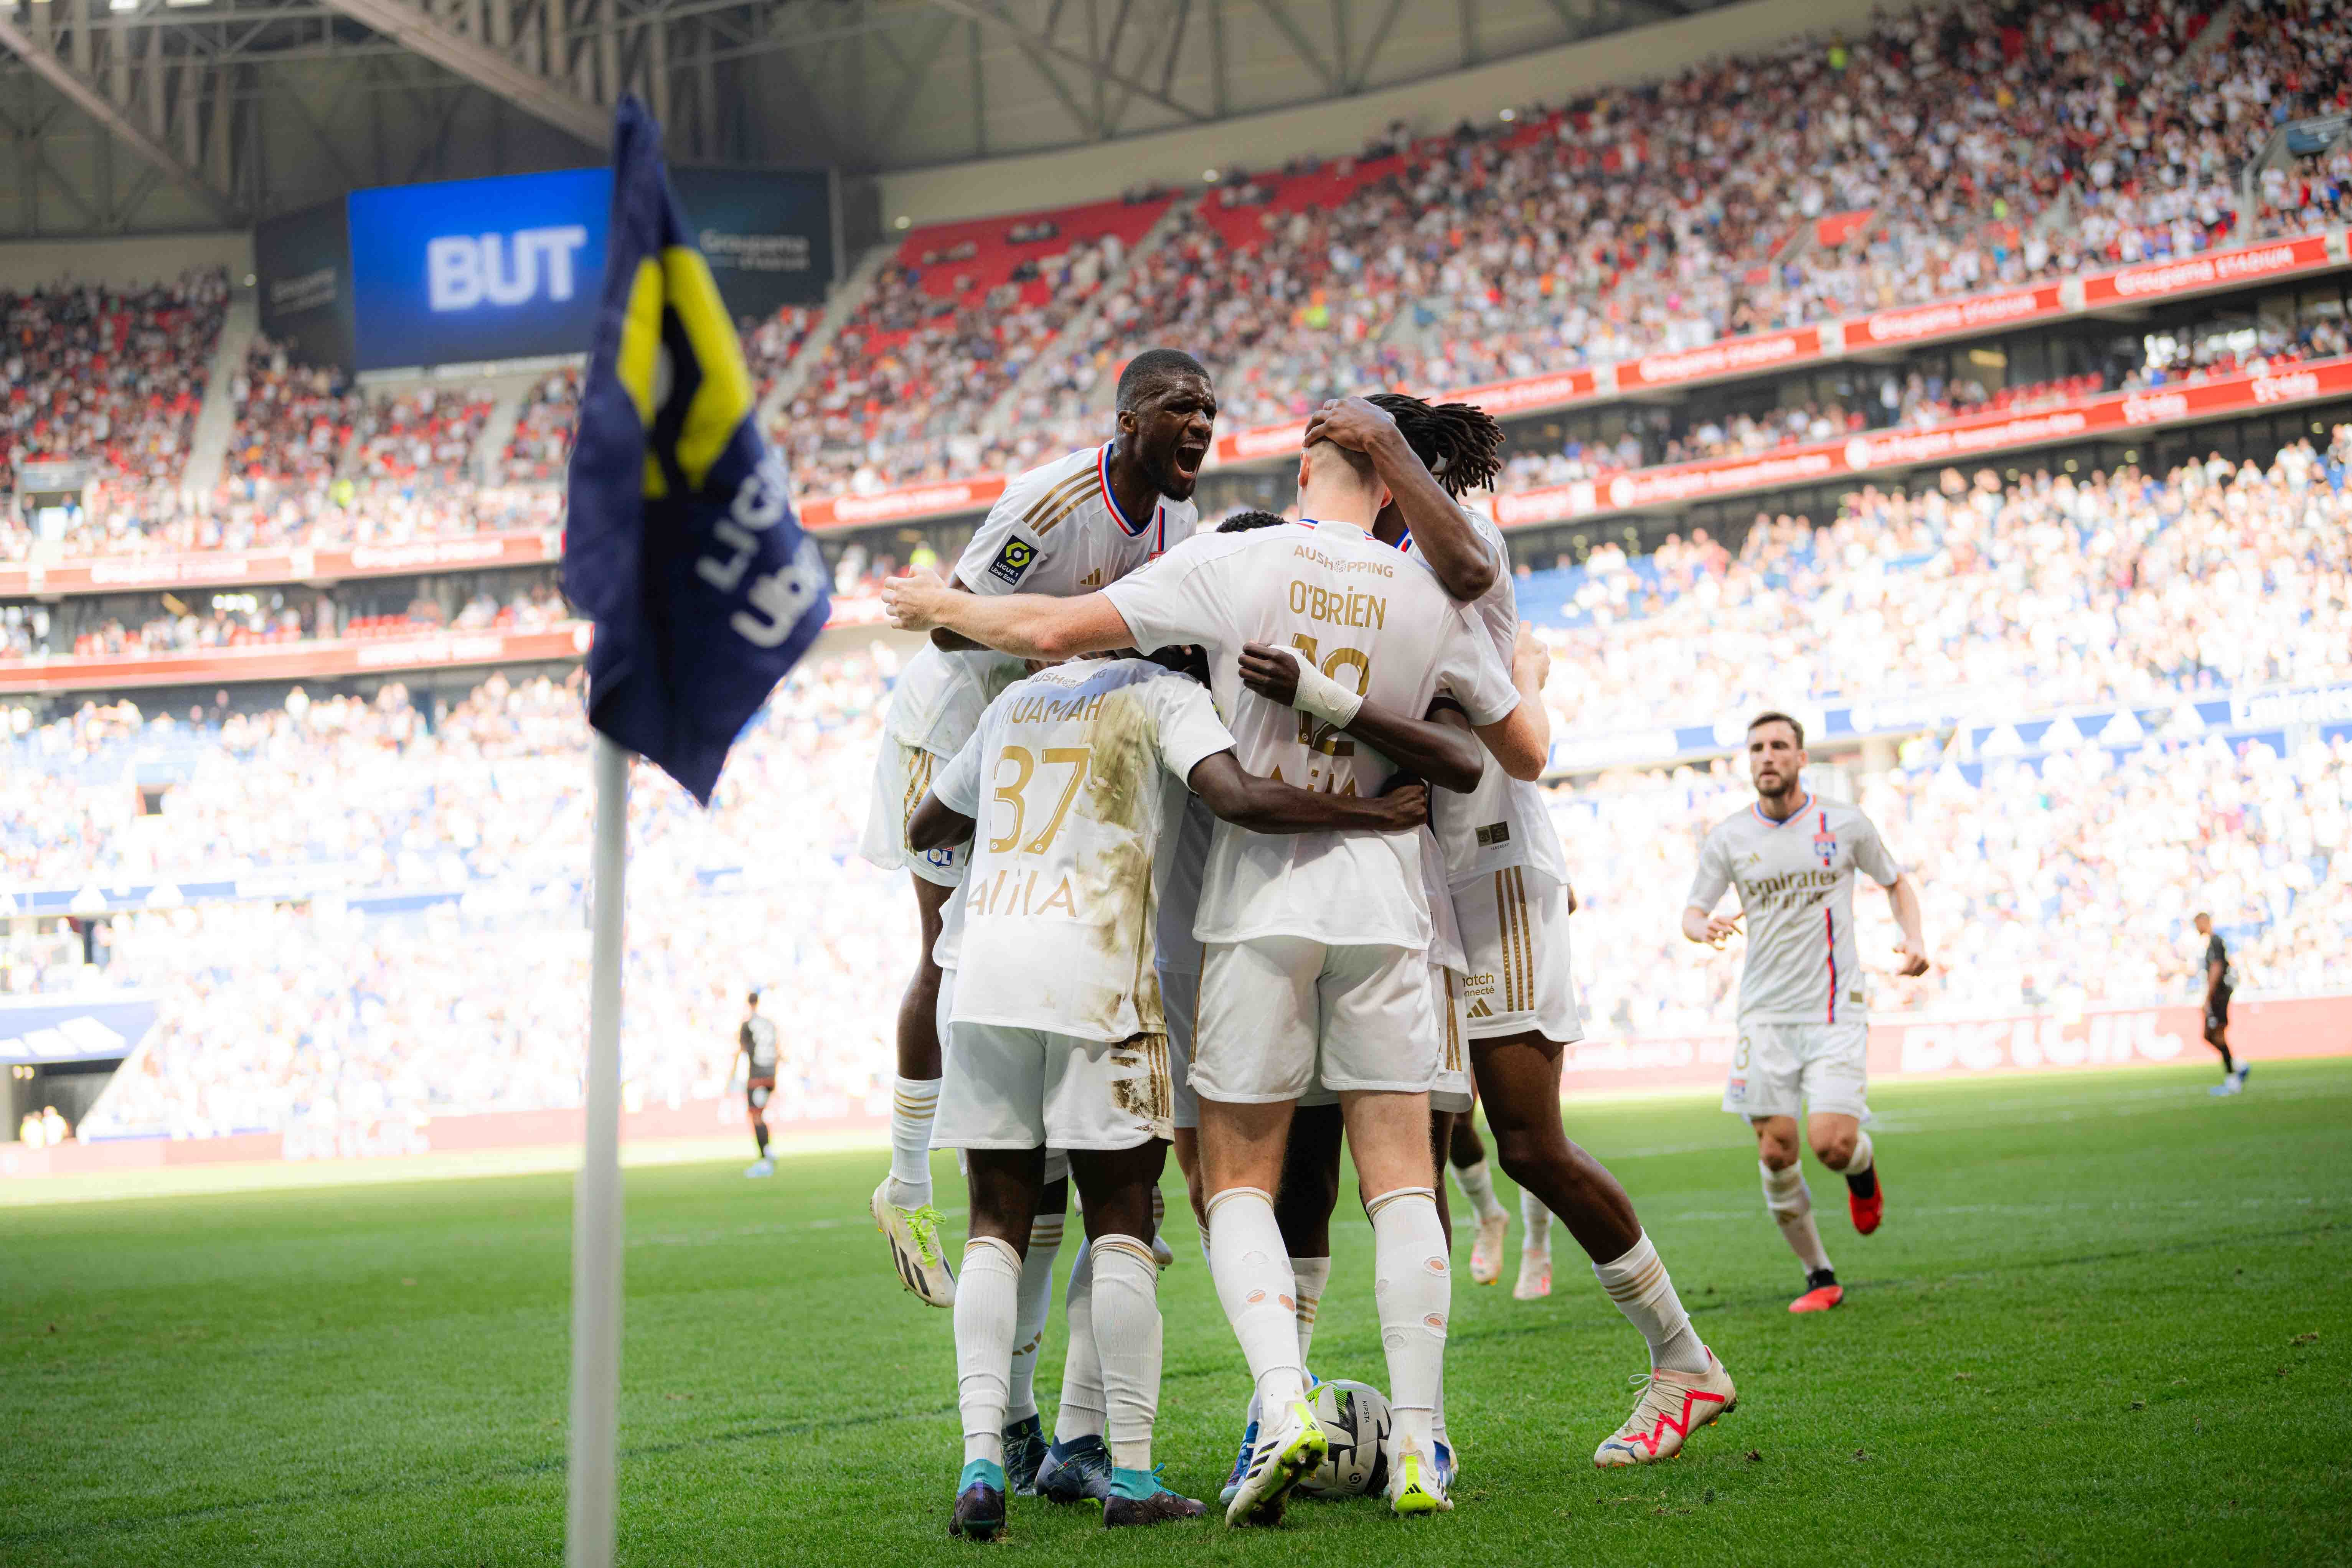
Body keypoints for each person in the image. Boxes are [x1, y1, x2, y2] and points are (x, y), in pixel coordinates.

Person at [883, 437, 1544, 1522]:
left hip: (1087, 951)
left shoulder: (1058, 683)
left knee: (1070, 1209)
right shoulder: (1366, 612)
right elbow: (1479, 754)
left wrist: (940, 612)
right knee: (1329, 1192)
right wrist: (1370, 789)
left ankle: (1034, 1448)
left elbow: (941, 802)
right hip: (1314, 926)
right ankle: (1388, 1446)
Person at [905, 647, 1430, 1537]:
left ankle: (981, 1467)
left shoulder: (1018, 700)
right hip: (1098, 974)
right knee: (1122, 1218)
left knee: (994, 1222)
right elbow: (1237, 797)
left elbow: (927, 825)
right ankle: (1134, 1477)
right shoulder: (1162, 693)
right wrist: (1373, 811)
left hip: (987, 971)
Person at [1311, 392, 1735, 1464]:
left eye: (1338, 462)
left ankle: (1683, 1358)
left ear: (1386, 466)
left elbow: (1520, 743)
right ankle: (1425, 1427)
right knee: (1411, 1156)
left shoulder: (1460, 541)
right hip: (1411, 884)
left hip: (1492, 866)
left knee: (1529, 1142)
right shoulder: (1349, 568)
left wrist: (1384, 446)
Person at [856, 348, 1217, 1307]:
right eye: (1180, 405)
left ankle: (1090, 1161)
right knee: (948, 949)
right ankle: (906, 1183)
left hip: (1047, 743)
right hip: (954, 735)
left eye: (1209, 409)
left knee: (1062, 931)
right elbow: (947, 624)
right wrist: (1061, 635)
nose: (1200, 423)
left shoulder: (1178, 521)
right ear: (1128, 418)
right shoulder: (1050, 503)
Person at [1683, 712, 1930, 1315]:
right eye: (1756, 748)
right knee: (1775, 1150)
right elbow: (1691, 912)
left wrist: (1914, 938)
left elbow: (1895, 881)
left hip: (1833, 1009)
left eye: (1778, 746)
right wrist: (1702, 926)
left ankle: (1861, 1169)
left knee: (1831, 1143)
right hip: (1763, 1015)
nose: (1766, 756)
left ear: (1800, 757)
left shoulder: (1843, 823)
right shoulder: (1729, 837)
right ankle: (1818, 1273)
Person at [2194, 913, 2246, 1095]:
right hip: (2217, 994)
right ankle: (2238, 1065)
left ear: (2205, 922)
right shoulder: (2212, 943)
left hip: (2219, 995)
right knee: (2209, 1035)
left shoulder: (2215, 942)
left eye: (2197, 924)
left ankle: (2233, 1080)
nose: (2197, 928)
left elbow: (2216, 969)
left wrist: (2208, 997)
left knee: (2217, 1034)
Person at [734, 991, 780, 1177]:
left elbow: (741, 1050)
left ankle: (765, 1159)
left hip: (757, 1076)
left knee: (756, 1117)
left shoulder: (748, 1025)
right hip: (770, 1076)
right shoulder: (770, 1024)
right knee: (760, 1115)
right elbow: (778, 1049)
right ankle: (767, 1152)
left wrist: (731, 1077)